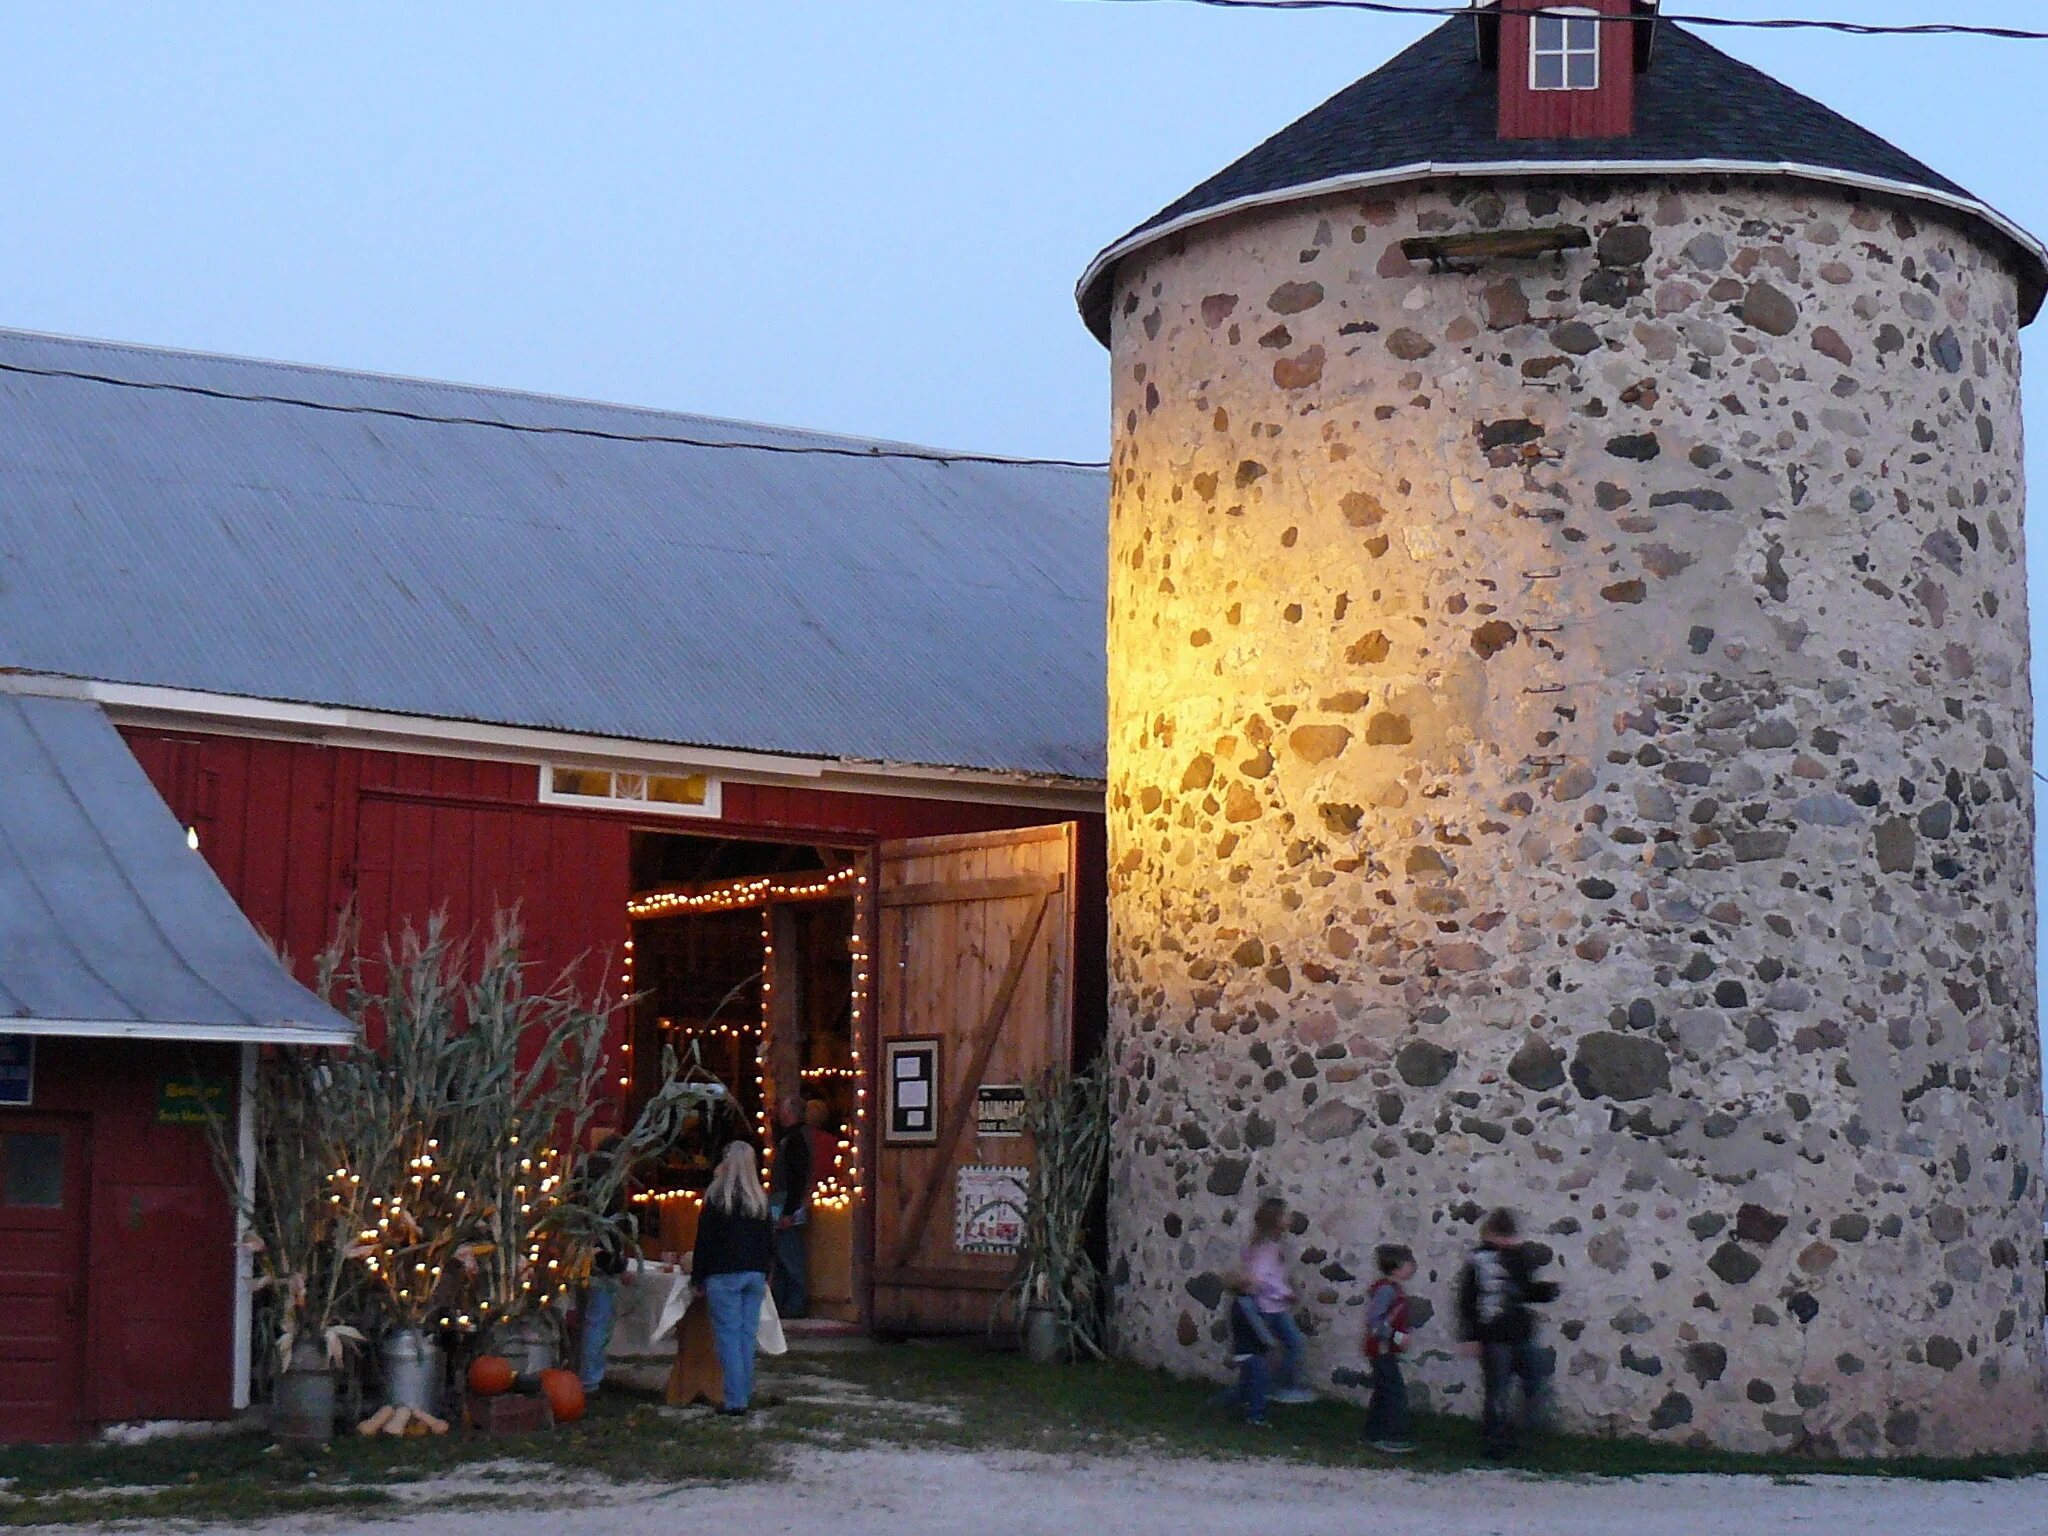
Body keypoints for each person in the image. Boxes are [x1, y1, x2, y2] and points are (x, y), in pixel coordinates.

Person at [1455, 1208, 1559, 1458]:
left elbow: (1523, 1290)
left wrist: (1545, 1292)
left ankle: (1515, 1437)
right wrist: (1471, 1337)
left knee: (1529, 1385)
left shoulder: (1517, 1256)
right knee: (1498, 1391)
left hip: (1517, 1332)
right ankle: (1495, 1443)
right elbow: (1467, 1300)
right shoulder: (1480, 1259)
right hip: (1494, 1336)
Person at [691, 1141, 775, 1415]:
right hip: (754, 1273)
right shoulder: (759, 1200)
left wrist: (698, 1277)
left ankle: (735, 1399)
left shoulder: (717, 1199)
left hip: (724, 1273)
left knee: (727, 1337)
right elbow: (767, 1241)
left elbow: (704, 1241)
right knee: (746, 1337)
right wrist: (765, 1272)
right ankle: (743, 1392)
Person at [575, 1125, 631, 1395]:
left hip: (579, 1256)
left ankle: (576, 1370)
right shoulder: (612, 1184)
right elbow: (613, 1228)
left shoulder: (583, 1175)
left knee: (583, 1318)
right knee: (598, 1321)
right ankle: (590, 1379)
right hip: (603, 1261)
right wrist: (620, 1262)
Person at [1243, 1196, 1313, 1405]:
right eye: (1284, 1215)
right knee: (1293, 1345)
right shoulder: (1266, 1247)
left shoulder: (1268, 1244)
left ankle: (1261, 1390)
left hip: (1272, 1306)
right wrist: (1284, 1293)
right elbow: (1260, 1278)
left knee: (1271, 1350)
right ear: (1275, 1219)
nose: (1289, 1218)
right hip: (1269, 1307)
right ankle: (1279, 1388)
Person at [1363, 1243, 1417, 1453]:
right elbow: (1374, 1321)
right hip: (1382, 1348)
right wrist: (1395, 1336)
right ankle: (1391, 1436)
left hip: (1383, 1349)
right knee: (1394, 1392)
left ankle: (1372, 1433)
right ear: (1396, 1267)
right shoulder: (1386, 1290)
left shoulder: (1392, 1289)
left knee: (1382, 1392)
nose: (1412, 1267)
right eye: (1408, 1263)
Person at [1208, 1272, 1275, 1426]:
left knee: (1245, 1386)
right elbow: (1258, 1326)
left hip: (1243, 1350)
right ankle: (1255, 1416)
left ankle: (1216, 1403)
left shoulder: (1238, 1303)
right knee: (1260, 1383)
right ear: (1244, 1287)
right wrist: (1269, 1342)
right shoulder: (1247, 1305)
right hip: (1251, 1350)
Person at [770, 1094, 814, 1319]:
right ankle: (782, 1301)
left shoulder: (796, 1141)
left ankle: (795, 1302)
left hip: (788, 1206)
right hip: (783, 1204)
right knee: (782, 1254)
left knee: (790, 1255)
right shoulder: (790, 1138)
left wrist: (788, 1211)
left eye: (783, 1111)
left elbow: (796, 1179)